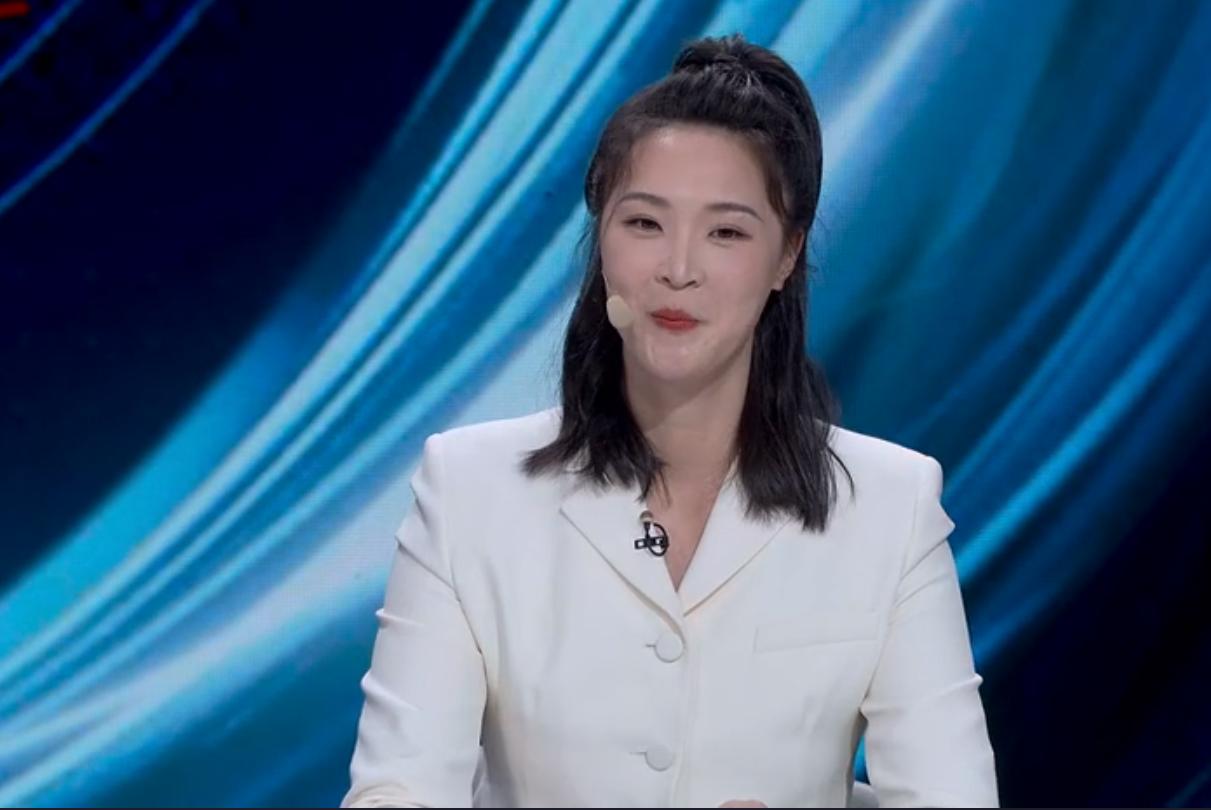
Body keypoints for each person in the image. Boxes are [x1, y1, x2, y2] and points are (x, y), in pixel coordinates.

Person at [341, 33, 998, 808]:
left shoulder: (888, 504)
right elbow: (396, 793)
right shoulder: (468, 489)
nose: (677, 269)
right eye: (644, 224)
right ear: (601, 239)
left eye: (726, 233)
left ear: (785, 255)